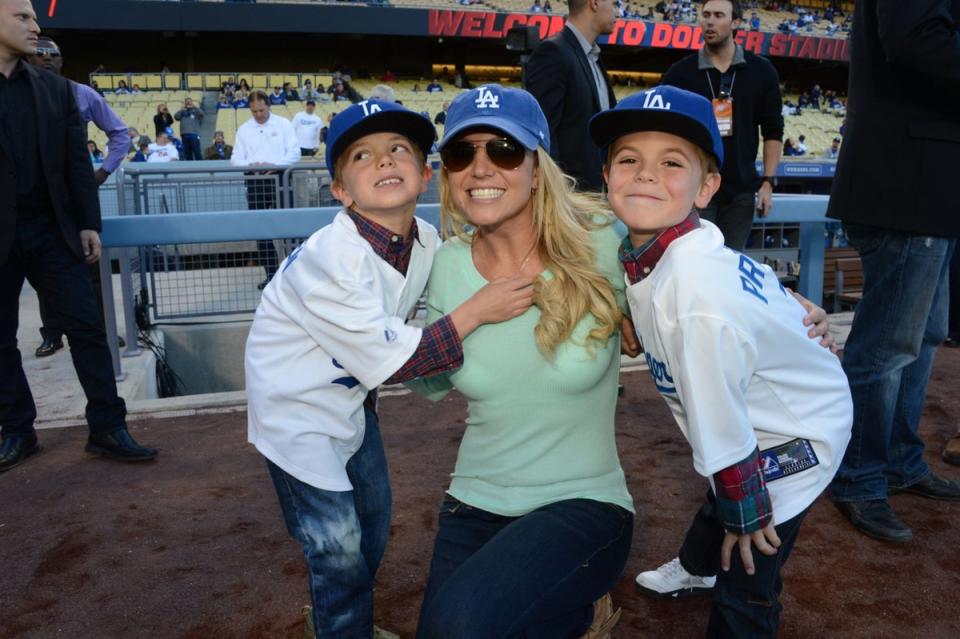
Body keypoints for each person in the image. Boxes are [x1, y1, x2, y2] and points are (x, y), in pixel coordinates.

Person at [245, 98, 532, 639]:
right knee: (336, 546)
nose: (384, 161)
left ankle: (339, 614)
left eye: (399, 149)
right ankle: (342, 627)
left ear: (425, 174)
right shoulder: (331, 257)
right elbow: (406, 361)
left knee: (372, 529)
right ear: (340, 190)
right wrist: (479, 311)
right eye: (362, 155)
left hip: (349, 404)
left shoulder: (423, 238)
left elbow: (463, 268)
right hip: (295, 419)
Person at [591, 85, 851, 637]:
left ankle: (734, 592)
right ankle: (695, 565)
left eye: (671, 163)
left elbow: (727, 434)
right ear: (607, 174)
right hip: (778, 398)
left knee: (749, 564)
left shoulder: (696, 298)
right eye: (629, 160)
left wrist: (746, 511)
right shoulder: (684, 238)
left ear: (707, 186)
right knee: (719, 489)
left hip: (797, 430)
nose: (644, 175)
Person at [411, 84, 632, 639]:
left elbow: (697, 280)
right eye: (463, 153)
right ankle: (576, 619)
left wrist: (791, 309)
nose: (481, 168)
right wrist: (469, 316)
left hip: (585, 501)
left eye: (504, 150)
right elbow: (430, 385)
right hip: (473, 498)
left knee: (458, 628)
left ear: (538, 167)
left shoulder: (602, 243)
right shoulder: (445, 265)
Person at [0, 0, 156, 472]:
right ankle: (17, 431)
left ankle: (108, 427)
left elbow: (74, 163)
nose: (36, 24)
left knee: (87, 329)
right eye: (23, 17)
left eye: (33, 16)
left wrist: (89, 223)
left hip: (53, 231)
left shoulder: (56, 91)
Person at [827, 0, 960, 543]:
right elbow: (915, 41)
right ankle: (858, 477)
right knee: (886, 348)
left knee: (922, 337)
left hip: (928, 185)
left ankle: (902, 460)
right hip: (907, 181)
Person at [28, 36, 131, 358]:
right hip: (33, 197)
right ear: (29, 59)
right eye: (40, 53)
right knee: (42, 267)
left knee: (91, 263)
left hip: (75, 195)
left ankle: (102, 331)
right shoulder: (17, 94)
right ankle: (53, 333)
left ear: (62, 60)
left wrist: (101, 173)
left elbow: (120, 134)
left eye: (54, 54)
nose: (47, 59)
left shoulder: (82, 94)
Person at [660, 0, 784, 250]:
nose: (709, 21)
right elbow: (665, 132)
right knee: (694, 262)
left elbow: (773, 130)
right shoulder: (680, 73)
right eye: (705, 15)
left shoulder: (761, 70)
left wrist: (768, 182)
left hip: (740, 192)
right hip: (694, 188)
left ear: (735, 22)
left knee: (730, 265)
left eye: (718, 15)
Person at [524, 0, 618, 191]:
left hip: (596, 195)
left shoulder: (594, 58)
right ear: (595, 3)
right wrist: (561, 196)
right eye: (615, 3)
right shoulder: (553, 53)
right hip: (570, 200)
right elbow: (543, 136)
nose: (618, 12)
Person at [230, 90, 300, 290]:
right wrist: (252, 165)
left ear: (268, 106)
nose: (258, 115)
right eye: (254, 112)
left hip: (280, 178)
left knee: (288, 228)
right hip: (255, 181)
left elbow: (295, 152)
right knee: (261, 230)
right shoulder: (243, 129)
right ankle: (271, 276)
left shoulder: (284, 124)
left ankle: (292, 276)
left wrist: (275, 164)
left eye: (261, 110)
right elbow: (235, 159)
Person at [174, 96, 204, 161]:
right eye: (187, 102)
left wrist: (194, 107)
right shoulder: (182, 112)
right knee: (187, 153)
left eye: (190, 101)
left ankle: (201, 166)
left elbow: (202, 114)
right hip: (184, 135)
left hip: (194, 134)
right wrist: (182, 109)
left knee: (197, 152)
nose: (188, 103)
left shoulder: (195, 111)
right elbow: (176, 117)